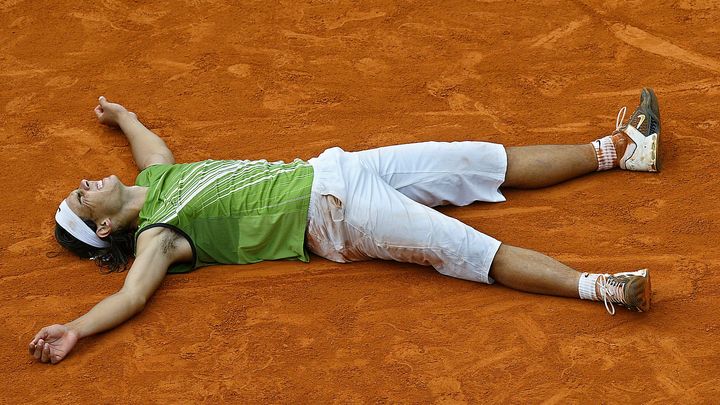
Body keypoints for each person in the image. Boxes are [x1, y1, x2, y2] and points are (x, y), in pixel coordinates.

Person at [29, 89, 660, 364]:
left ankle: (622, 150)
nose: (88, 184)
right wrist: (77, 330)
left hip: (339, 168)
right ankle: (601, 288)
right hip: (338, 218)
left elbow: (149, 143)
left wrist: (120, 114)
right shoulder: (157, 236)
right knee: (469, 252)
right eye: (83, 200)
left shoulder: (160, 178)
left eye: (81, 187)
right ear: (106, 229)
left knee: (479, 158)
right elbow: (131, 296)